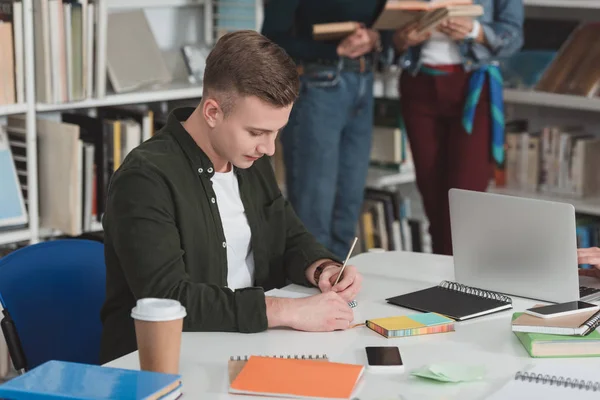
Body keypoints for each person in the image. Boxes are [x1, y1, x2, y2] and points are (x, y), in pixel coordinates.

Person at [99, 30, 363, 364]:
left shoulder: (247, 159)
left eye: (276, 133)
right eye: (257, 132)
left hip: (251, 346)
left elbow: (288, 233)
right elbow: (168, 298)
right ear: (212, 112)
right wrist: (288, 311)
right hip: (169, 363)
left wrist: (322, 267)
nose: (268, 148)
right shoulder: (144, 179)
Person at [392, 0, 524, 255]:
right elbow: (387, 37)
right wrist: (402, 39)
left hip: (473, 87)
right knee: (432, 196)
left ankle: (463, 281)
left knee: (466, 199)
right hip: (418, 85)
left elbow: (514, 36)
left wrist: (476, 31)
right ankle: (442, 281)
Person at [262, 0, 388, 259]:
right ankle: (312, 290)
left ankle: (338, 290)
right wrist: (337, 51)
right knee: (314, 209)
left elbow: (387, 23)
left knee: (349, 205)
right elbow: (272, 39)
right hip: (318, 84)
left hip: (364, 83)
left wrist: (375, 38)